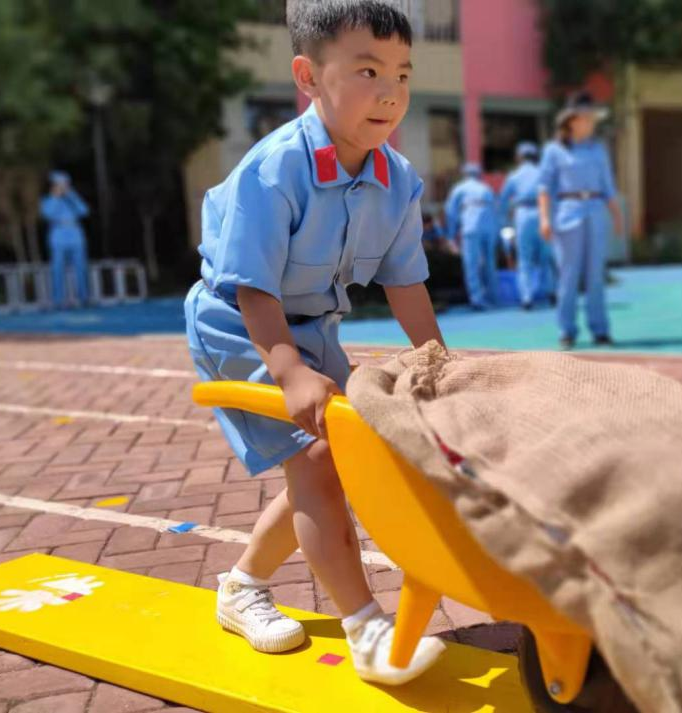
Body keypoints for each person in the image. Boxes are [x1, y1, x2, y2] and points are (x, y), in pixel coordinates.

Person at [183, 0, 446, 685]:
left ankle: (241, 585)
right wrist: (290, 371)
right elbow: (252, 288)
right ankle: (367, 630)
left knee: (345, 455)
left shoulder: (397, 180)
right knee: (321, 458)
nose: (389, 92)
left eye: (402, 73)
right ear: (308, 76)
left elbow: (406, 283)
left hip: (313, 327)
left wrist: (436, 363)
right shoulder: (274, 170)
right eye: (367, 71)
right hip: (240, 324)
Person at [538, 91, 624, 350]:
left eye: (592, 118)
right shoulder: (554, 151)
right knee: (568, 276)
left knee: (596, 275)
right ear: (571, 121)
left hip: (595, 211)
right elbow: (544, 187)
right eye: (586, 118)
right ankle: (567, 331)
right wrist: (545, 219)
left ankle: (600, 330)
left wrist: (616, 215)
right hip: (568, 213)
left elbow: (608, 186)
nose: (590, 123)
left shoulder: (598, 149)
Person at [500, 141, 556, 309]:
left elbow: (503, 199)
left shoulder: (514, 175)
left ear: (519, 157)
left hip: (523, 213)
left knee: (524, 258)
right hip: (542, 212)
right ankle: (551, 292)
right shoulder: (542, 173)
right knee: (546, 256)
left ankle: (527, 298)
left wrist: (505, 219)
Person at [444, 162, 501, 310]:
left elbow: (450, 211)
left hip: (471, 227)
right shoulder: (486, 188)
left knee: (471, 264)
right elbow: (496, 210)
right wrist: (497, 232)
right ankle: (493, 297)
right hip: (489, 227)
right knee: (490, 262)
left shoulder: (460, 188)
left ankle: (477, 299)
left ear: (465, 174)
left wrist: (451, 234)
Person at [39, 171, 90, 308]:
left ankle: (84, 298)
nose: (62, 187)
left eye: (65, 184)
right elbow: (48, 214)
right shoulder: (47, 200)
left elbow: (84, 211)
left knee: (81, 267)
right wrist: (55, 197)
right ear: (53, 185)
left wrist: (71, 194)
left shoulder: (71, 198)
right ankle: (58, 300)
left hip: (76, 235)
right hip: (58, 235)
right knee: (57, 269)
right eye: (59, 184)